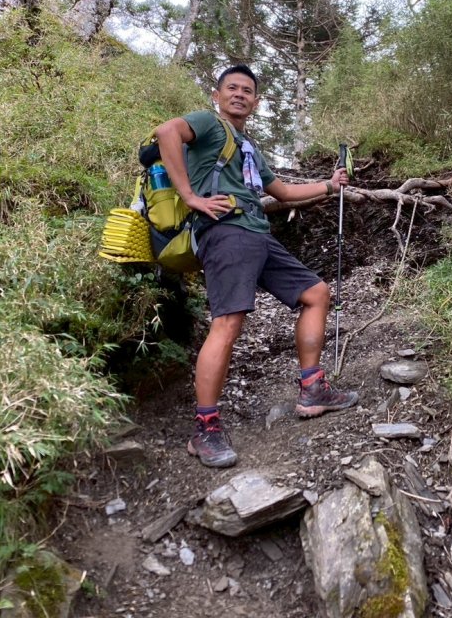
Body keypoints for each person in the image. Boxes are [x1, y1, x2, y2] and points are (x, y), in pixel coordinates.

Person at [153, 64, 359, 468]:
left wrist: (329, 186)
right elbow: (167, 132)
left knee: (316, 293)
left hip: (257, 233)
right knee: (228, 323)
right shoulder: (208, 125)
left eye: (247, 91)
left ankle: (312, 388)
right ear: (217, 95)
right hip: (225, 232)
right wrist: (190, 197)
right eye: (232, 88)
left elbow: (280, 191)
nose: (240, 94)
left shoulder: (248, 146)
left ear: (257, 102)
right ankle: (205, 428)